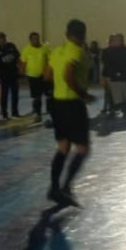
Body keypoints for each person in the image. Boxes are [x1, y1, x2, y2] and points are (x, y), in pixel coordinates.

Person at [46, 18, 93, 207]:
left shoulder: (57, 51)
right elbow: (68, 75)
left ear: (66, 34)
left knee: (63, 147)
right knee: (82, 149)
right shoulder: (77, 51)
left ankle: (54, 188)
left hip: (57, 103)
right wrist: (83, 94)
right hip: (73, 105)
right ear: (83, 35)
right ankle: (66, 187)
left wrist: (58, 88)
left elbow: (47, 75)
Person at [101, 33, 126, 120]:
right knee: (123, 96)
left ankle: (115, 110)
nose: (114, 41)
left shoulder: (109, 51)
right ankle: (122, 111)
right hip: (125, 77)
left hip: (117, 78)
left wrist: (107, 76)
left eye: (116, 40)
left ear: (119, 41)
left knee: (115, 96)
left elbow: (107, 64)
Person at [19, 31, 51, 120]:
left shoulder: (45, 48)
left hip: (44, 76)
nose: (36, 40)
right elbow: (23, 62)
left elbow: (50, 60)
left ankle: (49, 112)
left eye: (37, 38)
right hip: (33, 76)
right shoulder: (26, 49)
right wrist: (22, 74)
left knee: (49, 95)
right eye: (34, 39)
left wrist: (49, 72)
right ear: (30, 40)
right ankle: (38, 114)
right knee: (37, 96)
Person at [0, 31, 21, 119]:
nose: (2, 40)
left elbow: (17, 56)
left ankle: (15, 112)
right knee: (4, 95)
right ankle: (4, 113)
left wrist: (20, 69)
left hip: (13, 74)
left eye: (4, 38)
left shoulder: (11, 46)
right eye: (0, 38)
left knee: (15, 94)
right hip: (3, 76)